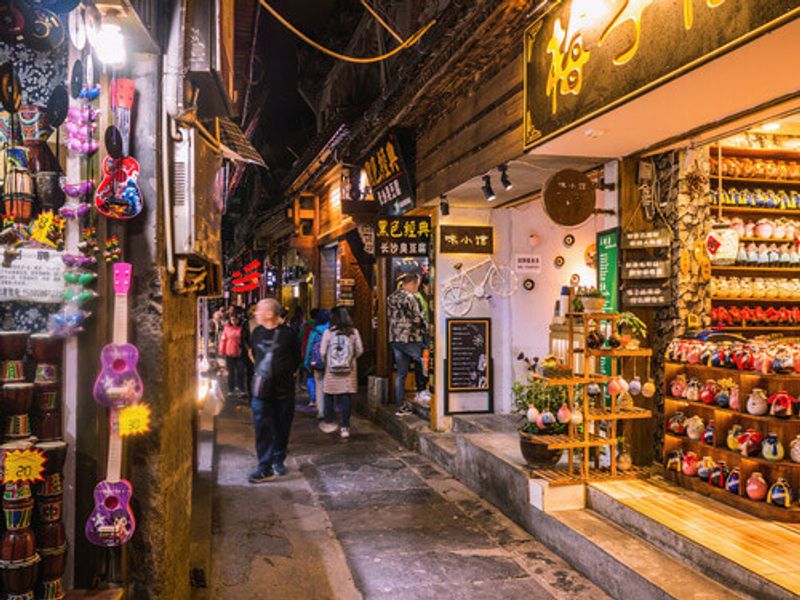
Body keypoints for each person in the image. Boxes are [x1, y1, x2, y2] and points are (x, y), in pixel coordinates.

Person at [248, 298, 301, 483]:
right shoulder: (256, 332)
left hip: (283, 389)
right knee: (262, 426)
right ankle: (264, 466)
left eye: (259, 310)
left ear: (270, 313)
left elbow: (296, 358)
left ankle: (278, 458)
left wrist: (284, 373)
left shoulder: (289, 334)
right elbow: (254, 354)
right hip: (261, 389)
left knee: (282, 425)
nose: (256, 313)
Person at [319, 306, 363, 438]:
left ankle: (329, 422)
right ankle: (345, 427)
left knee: (329, 394)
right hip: (349, 370)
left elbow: (322, 352)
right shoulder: (353, 332)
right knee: (346, 397)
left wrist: (328, 361)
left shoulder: (328, 332)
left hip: (331, 370)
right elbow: (360, 350)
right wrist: (351, 359)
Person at [387, 273, 426, 416]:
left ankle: (400, 406)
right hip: (409, 338)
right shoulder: (410, 298)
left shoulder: (391, 297)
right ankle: (424, 391)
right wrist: (425, 326)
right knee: (425, 359)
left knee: (401, 374)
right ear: (413, 283)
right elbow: (416, 318)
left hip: (395, 339)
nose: (417, 287)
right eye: (417, 285)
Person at [304, 309, 330, 418]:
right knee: (329, 387)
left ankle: (321, 411)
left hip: (317, 362)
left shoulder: (315, 331)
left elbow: (309, 347)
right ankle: (329, 409)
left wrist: (306, 362)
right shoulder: (331, 330)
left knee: (319, 385)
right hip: (330, 362)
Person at [413, 274, 432, 403]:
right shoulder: (417, 298)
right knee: (422, 362)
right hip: (421, 336)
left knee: (427, 362)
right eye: (430, 286)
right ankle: (421, 389)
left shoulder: (428, 298)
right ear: (424, 285)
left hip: (429, 336)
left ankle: (425, 388)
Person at [219, 314, 246, 395]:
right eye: (232, 319)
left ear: (238, 320)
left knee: (240, 372)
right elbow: (223, 340)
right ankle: (231, 389)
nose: (234, 321)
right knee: (231, 373)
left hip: (240, 353)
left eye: (235, 319)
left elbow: (245, 340)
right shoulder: (227, 328)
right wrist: (222, 350)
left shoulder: (242, 328)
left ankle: (241, 389)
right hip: (229, 353)